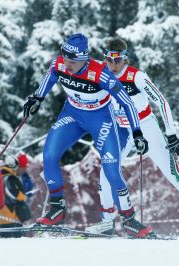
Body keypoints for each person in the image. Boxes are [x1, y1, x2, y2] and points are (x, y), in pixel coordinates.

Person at [85, 37, 179, 236]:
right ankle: (107, 221)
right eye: (109, 60)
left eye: (118, 60)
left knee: (173, 172)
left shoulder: (137, 77)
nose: (113, 65)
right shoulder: (101, 74)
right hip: (121, 128)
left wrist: (171, 134)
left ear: (126, 59)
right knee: (106, 171)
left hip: (145, 126)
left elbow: (162, 102)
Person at [23, 33, 152, 238]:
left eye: (72, 60)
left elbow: (127, 102)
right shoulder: (60, 64)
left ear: (84, 58)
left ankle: (129, 219)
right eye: (65, 58)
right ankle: (57, 209)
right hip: (73, 115)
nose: (67, 64)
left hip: (100, 118)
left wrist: (137, 133)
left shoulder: (100, 73)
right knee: (49, 155)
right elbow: (50, 76)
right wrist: (36, 98)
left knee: (111, 170)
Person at [0, 155, 32, 238]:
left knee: (7, 235)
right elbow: (12, 191)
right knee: (13, 236)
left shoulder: (3, 175)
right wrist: (22, 197)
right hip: (9, 209)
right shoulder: (8, 177)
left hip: (5, 209)